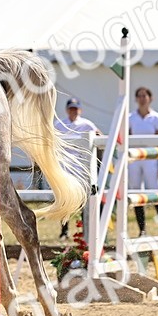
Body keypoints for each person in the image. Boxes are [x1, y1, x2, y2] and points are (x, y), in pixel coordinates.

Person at [55, 97, 100, 239]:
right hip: (65, 165)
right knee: (64, 198)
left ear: (79, 110)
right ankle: (64, 230)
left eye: (75, 109)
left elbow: (99, 134)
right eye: (71, 109)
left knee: (84, 198)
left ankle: (85, 229)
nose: (73, 111)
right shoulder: (59, 123)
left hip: (81, 165)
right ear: (67, 110)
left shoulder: (86, 124)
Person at [128, 86, 158, 236]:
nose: (142, 98)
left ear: (150, 98)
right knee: (136, 192)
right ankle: (142, 230)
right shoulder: (130, 118)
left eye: (145, 96)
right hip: (136, 157)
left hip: (152, 157)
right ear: (136, 99)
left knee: (156, 192)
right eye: (139, 96)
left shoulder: (157, 118)